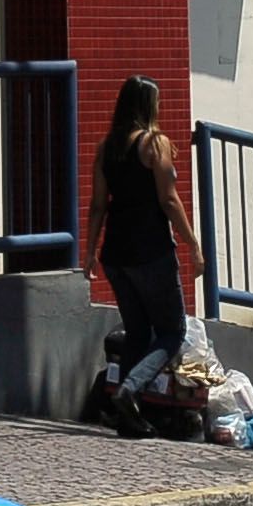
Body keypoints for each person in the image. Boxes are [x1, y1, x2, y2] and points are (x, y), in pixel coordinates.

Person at [93, 75, 201, 384]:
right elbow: (168, 199)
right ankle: (130, 390)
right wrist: (193, 244)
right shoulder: (155, 143)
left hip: (114, 252)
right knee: (172, 331)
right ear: (147, 106)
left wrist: (89, 253)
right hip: (150, 250)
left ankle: (127, 411)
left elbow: (98, 204)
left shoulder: (106, 148)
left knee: (137, 331)